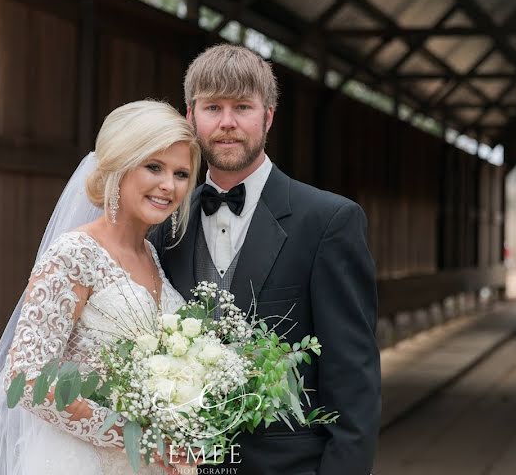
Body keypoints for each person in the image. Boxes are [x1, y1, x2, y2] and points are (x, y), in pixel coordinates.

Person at [151, 44, 381, 475]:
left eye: (242, 107)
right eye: (212, 107)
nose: (227, 123)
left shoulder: (329, 222)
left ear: (268, 116)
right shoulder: (164, 229)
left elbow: (355, 387)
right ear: (190, 116)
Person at [0, 100, 201, 475]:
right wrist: (132, 435)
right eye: (154, 167)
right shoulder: (75, 254)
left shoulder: (152, 256)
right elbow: (26, 379)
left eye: (181, 174)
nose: (168, 185)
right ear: (120, 166)